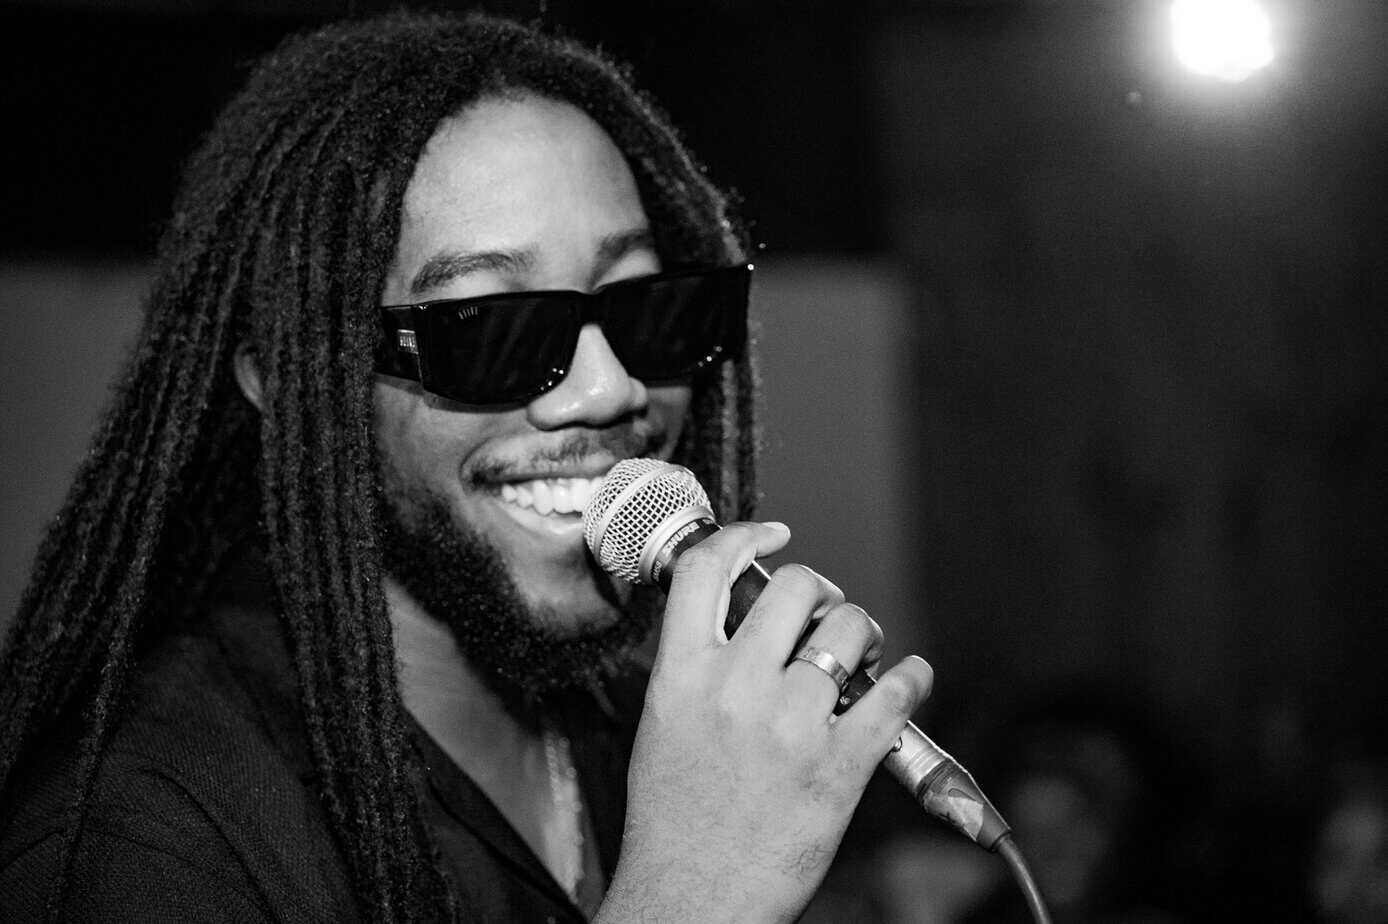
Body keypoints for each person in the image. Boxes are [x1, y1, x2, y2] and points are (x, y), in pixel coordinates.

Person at [0, 10, 933, 923]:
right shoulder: (142, 838)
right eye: (489, 329)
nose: (608, 389)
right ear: (290, 380)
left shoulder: (654, 741)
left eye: (646, 307)